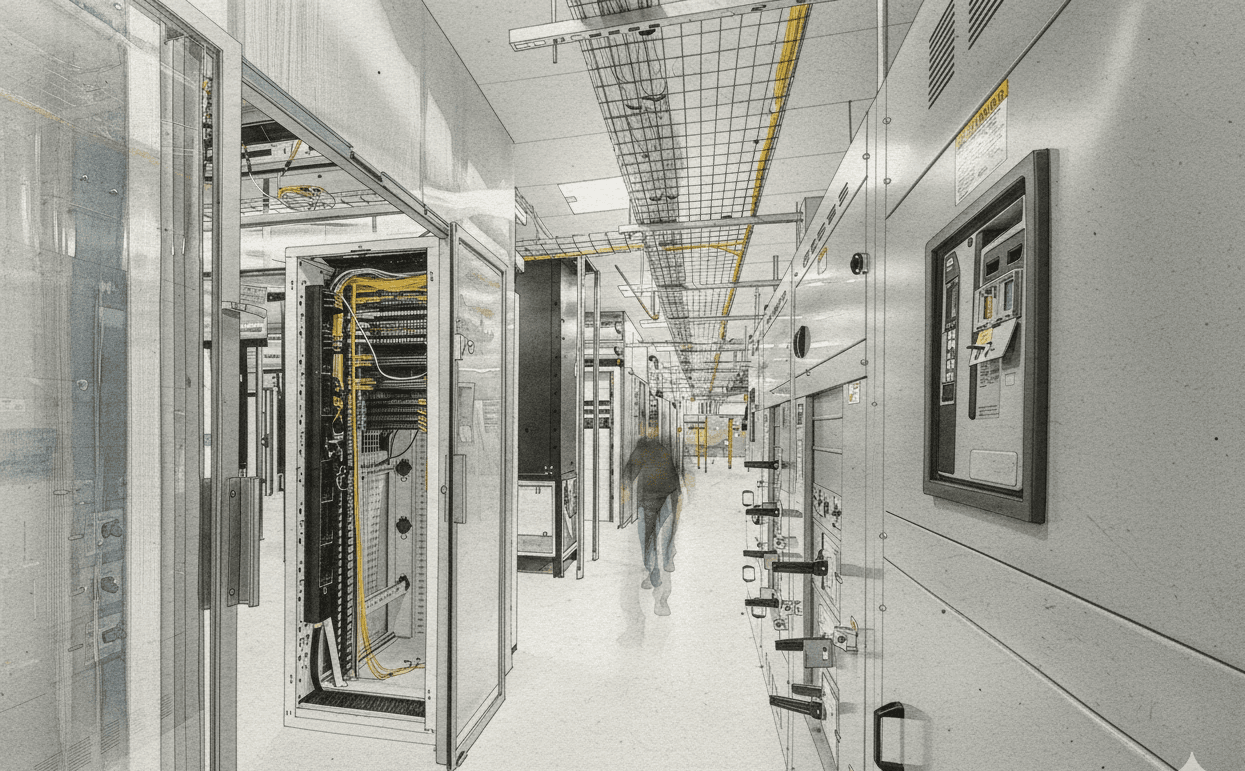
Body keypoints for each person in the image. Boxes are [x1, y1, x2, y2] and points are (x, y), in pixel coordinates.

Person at [623, 430, 682, 615]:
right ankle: (659, 577)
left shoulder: (641, 448)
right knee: (664, 542)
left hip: (654, 499)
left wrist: (624, 492)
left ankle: (656, 581)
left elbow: (628, 475)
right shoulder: (663, 448)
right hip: (669, 497)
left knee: (650, 540)